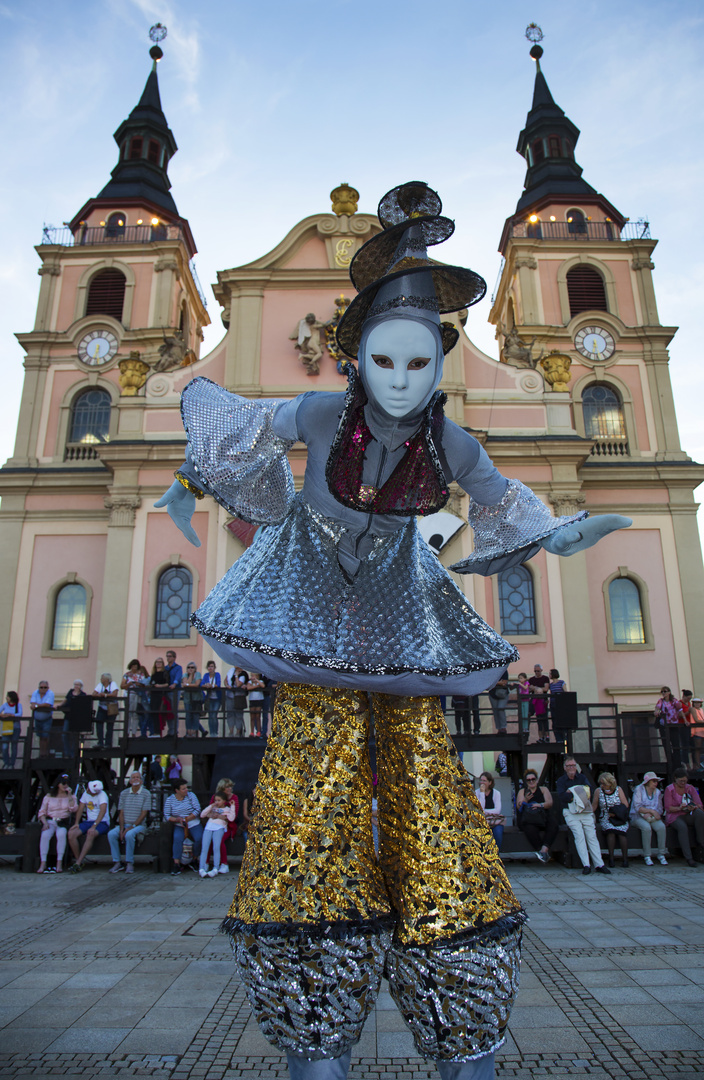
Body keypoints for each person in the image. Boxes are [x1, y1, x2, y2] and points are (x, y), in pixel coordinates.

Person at [154, 181, 629, 1079]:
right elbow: (250, 426)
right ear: (359, 358)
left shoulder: (450, 445)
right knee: (311, 767)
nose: (405, 382)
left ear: (437, 365)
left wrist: (560, 534)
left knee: (418, 762)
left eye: (420, 366)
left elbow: (503, 504)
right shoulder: (326, 414)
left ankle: (452, 974)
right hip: (309, 589)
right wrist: (187, 486)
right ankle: (313, 985)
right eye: (388, 363)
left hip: (392, 605)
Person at [556, 758, 610, 876]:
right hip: (570, 812)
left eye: (573, 765)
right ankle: (586, 865)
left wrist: (572, 792)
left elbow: (588, 792)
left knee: (592, 836)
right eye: (568, 766)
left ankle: (599, 864)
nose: (571, 768)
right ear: (565, 768)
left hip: (585, 810)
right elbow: (562, 796)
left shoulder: (582, 778)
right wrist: (577, 793)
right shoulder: (561, 781)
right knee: (579, 836)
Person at [108, 770, 151, 874]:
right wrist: (122, 828)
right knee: (111, 834)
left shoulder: (146, 794)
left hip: (139, 825)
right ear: (130, 781)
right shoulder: (124, 793)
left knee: (129, 835)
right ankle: (117, 861)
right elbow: (121, 813)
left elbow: (144, 813)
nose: (136, 779)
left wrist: (131, 827)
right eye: (133, 777)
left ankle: (129, 862)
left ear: (141, 781)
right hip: (125, 823)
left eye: (138, 777)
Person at [663, 767, 704, 867]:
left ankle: (701, 843)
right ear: (675, 779)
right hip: (675, 815)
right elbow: (668, 808)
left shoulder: (690, 788)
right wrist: (679, 808)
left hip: (688, 813)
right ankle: (688, 857)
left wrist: (693, 806)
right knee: (682, 828)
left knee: (700, 814)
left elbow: (699, 804)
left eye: (685, 781)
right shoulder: (670, 789)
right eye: (681, 781)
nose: (683, 783)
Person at [516, 770, 558, 863]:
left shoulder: (543, 789)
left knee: (553, 824)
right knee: (529, 828)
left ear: (537, 780)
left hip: (542, 817)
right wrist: (526, 800)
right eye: (528, 780)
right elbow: (519, 806)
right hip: (528, 819)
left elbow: (549, 803)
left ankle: (544, 850)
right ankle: (540, 850)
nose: (531, 781)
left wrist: (539, 805)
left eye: (533, 779)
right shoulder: (522, 791)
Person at [37, 775, 77, 873]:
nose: (65, 785)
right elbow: (42, 812)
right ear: (58, 784)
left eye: (67, 784)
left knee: (61, 834)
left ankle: (59, 862)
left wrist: (69, 795)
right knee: (45, 835)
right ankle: (43, 862)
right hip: (50, 821)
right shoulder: (49, 796)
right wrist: (44, 822)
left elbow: (73, 809)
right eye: (63, 783)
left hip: (62, 821)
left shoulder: (71, 797)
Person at [68, 779, 110, 871]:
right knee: (71, 834)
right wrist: (76, 823)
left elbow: (103, 811)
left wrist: (94, 826)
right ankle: (79, 859)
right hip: (89, 821)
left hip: (102, 822)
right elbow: (80, 808)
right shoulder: (86, 794)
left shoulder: (103, 795)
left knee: (91, 833)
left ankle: (78, 862)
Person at [163, 779, 202, 875]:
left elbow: (197, 809)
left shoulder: (191, 795)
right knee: (177, 838)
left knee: (199, 838)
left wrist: (187, 819)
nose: (186, 790)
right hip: (179, 824)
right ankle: (176, 863)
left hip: (193, 822)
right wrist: (177, 820)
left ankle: (195, 859)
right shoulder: (170, 800)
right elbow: (167, 815)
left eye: (186, 788)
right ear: (177, 790)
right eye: (183, 789)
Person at [592, 772, 630, 868]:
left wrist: (616, 811)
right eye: (601, 783)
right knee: (611, 832)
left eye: (604, 783)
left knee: (622, 833)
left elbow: (625, 804)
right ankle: (611, 858)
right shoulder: (598, 791)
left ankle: (625, 859)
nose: (602, 785)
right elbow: (594, 806)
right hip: (606, 817)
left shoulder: (618, 790)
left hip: (618, 816)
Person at [630, 772, 667, 866]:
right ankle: (647, 855)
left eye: (656, 781)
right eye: (653, 781)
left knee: (661, 827)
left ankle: (661, 854)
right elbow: (637, 807)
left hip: (651, 817)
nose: (656, 783)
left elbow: (659, 808)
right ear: (648, 782)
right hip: (637, 816)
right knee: (646, 827)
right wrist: (650, 811)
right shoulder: (639, 789)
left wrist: (654, 814)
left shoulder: (658, 792)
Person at [199, 792, 237, 877]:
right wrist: (211, 806)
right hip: (208, 827)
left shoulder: (227, 809)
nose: (217, 802)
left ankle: (216, 867)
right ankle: (202, 868)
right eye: (216, 800)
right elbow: (202, 814)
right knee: (205, 847)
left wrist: (232, 806)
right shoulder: (213, 808)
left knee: (216, 847)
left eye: (219, 800)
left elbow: (231, 818)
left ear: (224, 801)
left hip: (219, 828)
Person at [56, 680, 90, 759]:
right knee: (64, 734)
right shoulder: (70, 692)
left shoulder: (83, 694)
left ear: (81, 686)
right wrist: (59, 705)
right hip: (68, 716)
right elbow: (65, 700)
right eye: (75, 684)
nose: (76, 686)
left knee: (75, 735)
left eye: (78, 685)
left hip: (76, 718)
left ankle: (73, 753)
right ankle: (67, 752)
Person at [654, 687, 685, 767]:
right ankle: (670, 762)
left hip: (673, 724)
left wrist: (685, 720)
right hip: (664, 725)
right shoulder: (661, 701)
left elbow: (680, 710)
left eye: (665, 691)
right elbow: (657, 707)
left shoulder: (674, 700)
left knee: (675, 744)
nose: (663, 693)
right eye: (662, 692)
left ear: (669, 692)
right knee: (666, 744)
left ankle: (677, 763)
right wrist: (656, 711)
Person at [476, 772, 504, 850]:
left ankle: (497, 854)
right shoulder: (476, 793)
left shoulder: (497, 793)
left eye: (484, 781)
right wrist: (482, 793)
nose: (482, 782)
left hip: (494, 821)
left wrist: (485, 812)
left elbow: (498, 810)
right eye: (481, 780)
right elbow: (480, 809)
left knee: (498, 833)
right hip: (482, 821)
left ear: (490, 782)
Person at [121, 660, 147, 737]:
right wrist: (129, 684)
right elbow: (122, 686)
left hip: (138, 695)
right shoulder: (127, 675)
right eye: (133, 666)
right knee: (128, 714)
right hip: (129, 695)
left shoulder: (141, 675)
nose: (134, 667)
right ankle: (127, 732)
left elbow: (144, 685)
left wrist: (139, 684)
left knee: (136, 714)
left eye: (136, 666)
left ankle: (134, 733)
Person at [92, 673, 119, 748]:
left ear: (107, 679)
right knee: (99, 724)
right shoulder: (100, 685)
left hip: (111, 707)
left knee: (110, 726)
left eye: (102, 678)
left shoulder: (113, 684)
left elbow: (114, 694)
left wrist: (105, 695)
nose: (101, 679)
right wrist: (98, 695)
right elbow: (94, 693)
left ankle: (108, 743)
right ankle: (100, 742)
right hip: (102, 707)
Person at [29, 680, 54, 758]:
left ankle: (45, 754)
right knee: (40, 736)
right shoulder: (35, 693)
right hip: (37, 719)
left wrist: (37, 706)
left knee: (45, 736)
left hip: (47, 719)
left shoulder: (50, 693)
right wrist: (39, 705)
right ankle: (41, 754)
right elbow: (32, 704)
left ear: (48, 688)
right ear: (39, 688)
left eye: (45, 687)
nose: (43, 689)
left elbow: (47, 704)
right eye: (41, 687)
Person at [528, 665, 550, 743]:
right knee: (535, 718)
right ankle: (527, 732)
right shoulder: (531, 679)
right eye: (535, 671)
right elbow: (529, 689)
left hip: (543, 701)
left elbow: (546, 689)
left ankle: (547, 737)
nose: (537, 672)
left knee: (544, 720)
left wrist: (536, 688)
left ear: (541, 670)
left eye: (538, 671)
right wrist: (538, 688)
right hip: (535, 701)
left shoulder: (545, 678)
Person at [1, 691, 22, 768]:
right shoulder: (5, 705)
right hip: (6, 728)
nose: (6, 698)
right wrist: (3, 715)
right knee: (4, 747)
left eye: (8, 696)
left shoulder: (18, 705)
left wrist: (11, 715)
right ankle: (6, 763)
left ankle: (12, 764)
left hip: (15, 728)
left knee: (14, 746)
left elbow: (20, 714)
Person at [225, 667, 248, 737]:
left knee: (238, 714)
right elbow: (225, 680)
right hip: (230, 695)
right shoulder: (231, 670)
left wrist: (237, 675)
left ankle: (238, 732)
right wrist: (227, 685)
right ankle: (231, 731)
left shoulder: (243, 674)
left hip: (238, 697)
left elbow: (238, 684)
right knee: (230, 713)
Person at [149, 657, 170, 736]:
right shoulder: (153, 673)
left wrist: (159, 686)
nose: (158, 663)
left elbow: (167, 683)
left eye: (160, 662)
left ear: (162, 664)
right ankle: (154, 732)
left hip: (160, 695)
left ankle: (158, 732)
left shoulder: (164, 672)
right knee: (153, 713)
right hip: (153, 695)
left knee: (159, 713)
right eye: (157, 662)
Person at [164, 650, 183, 736]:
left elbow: (178, 677)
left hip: (174, 691)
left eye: (170, 656)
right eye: (167, 656)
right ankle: (170, 730)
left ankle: (174, 731)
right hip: (166, 691)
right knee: (168, 711)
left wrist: (174, 684)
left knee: (174, 710)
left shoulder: (178, 668)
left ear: (174, 657)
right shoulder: (165, 668)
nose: (168, 658)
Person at [201, 660, 222, 737]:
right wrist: (206, 685)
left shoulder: (217, 675)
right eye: (209, 666)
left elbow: (218, 684)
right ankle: (211, 732)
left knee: (214, 715)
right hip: (209, 698)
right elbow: (202, 684)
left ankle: (215, 732)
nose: (210, 668)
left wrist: (212, 685)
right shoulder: (206, 675)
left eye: (212, 666)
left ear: (214, 667)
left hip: (217, 698)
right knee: (210, 715)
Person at [182, 663, 203, 737]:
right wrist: (190, 676)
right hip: (187, 699)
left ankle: (194, 732)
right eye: (189, 667)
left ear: (195, 668)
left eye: (192, 667)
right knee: (188, 715)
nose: (190, 669)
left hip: (196, 699)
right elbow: (185, 684)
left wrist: (188, 685)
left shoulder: (198, 674)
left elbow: (197, 684)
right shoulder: (185, 675)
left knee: (195, 716)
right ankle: (188, 732)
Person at [514, 673, 531, 740]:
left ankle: (526, 728)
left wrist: (519, 684)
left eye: (521, 678)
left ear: (525, 678)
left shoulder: (526, 683)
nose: (520, 679)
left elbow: (525, 687)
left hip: (526, 700)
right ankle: (522, 727)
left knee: (525, 715)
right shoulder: (519, 685)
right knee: (522, 714)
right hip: (521, 700)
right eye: (519, 678)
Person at [690, 696, 704, 770]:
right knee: (697, 749)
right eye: (695, 703)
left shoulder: (701, 710)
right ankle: (698, 765)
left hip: (702, 731)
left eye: (698, 703)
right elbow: (696, 720)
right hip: (697, 732)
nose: (697, 704)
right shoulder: (693, 709)